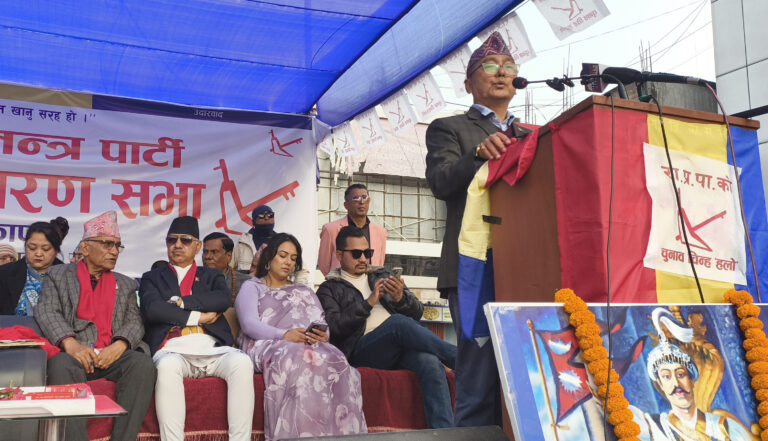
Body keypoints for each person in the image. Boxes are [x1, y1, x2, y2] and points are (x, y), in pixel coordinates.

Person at [425, 31, 530, 427]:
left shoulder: (533, 135)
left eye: (509, 67)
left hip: (524, 268)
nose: (501, 73)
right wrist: (476, 156)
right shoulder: (449, 127)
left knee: (524, 375)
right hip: (474, 267)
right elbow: (440, 182)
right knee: (479, 378)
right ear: (468, 84)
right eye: (489, 66)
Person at [317, 226, 456, 429]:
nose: (363, 258)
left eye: (367, 253)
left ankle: (445, 432)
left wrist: (400, 299)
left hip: (398, 348)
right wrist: (368, 303)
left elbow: (417, 312)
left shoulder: (382, 275)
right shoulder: (329, 288)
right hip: (360, 351)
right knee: (397, 323)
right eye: (356, 253)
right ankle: (458, 358)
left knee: (430, 362)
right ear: (339, 255)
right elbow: (334, 328)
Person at [35, 211, 155, 441]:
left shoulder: (126, 284)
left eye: (117, 246)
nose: (114, 251)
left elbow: (135, 321)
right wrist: (70, 344)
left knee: (142, 364)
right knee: (60, 365)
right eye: (107, 244)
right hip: (73, 353)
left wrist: (119, 346)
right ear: (86, 247)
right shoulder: (58, 275)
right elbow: (47, 311)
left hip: (111, 354)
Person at [236, 233, 367, 441]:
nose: (288, 262)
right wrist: (284, 335)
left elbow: (322, 322)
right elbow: (248, 324)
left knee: (337, 358)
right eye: (283, 255)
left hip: (307, 343)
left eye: (293, 258)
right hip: (269, 343)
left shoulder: (304, 290)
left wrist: (322, 335)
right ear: (269, 257)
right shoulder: (252, 287)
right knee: (299, 356)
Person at [139, 216, 254, 441]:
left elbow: (221, 300)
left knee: (242, 362)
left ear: (198, 246)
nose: (177, 245)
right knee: (167, 366)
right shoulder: (152, 277)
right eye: (171, 240)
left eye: (185, 240)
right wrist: (198, 317)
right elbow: (153, 310)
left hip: (212, 347)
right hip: (173, 349)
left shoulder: (211, 275)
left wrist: (181, 302)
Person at [638, 309, 750, 441]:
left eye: (680, 374)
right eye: (666, 377)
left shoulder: (726, 427)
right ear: (660, 385)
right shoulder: (653, 427)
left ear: (692, 379)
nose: (676, 384)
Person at [0, 217, 68, 315]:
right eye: (32, 248)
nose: (38, 254)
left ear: (56, 250)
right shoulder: (4, 274)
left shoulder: (69, 277)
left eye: (45, 249)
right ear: (25, 246)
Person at [318, 184, 387, 275]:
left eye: (364, 197)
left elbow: (379, 263)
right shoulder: (330, 229)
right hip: (341, 282)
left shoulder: (380, 232)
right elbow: (324, 265)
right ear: (346, 205)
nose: (361, 202)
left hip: (370, 283)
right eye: (356, 198)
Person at [203, 231, 249, 339]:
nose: (208, 257)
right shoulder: (193, 278)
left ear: (228, 256)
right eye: (205, 252)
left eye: (214, 252)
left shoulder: (246, 284)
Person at [231, 205, 276, 271]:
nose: (266, 218)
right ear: (253, 221)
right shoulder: (242, 244)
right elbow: (227, 270)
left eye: (270, 215)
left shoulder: (282, 242)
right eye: (261, 216)